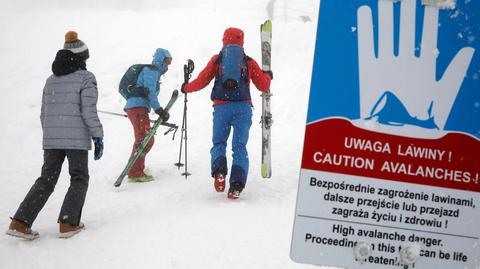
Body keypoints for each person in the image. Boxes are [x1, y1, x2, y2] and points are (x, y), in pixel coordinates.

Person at [6, 31, 104, 240]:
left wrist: (52, 135)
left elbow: (43, 113)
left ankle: (20, 222)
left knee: (47, 179)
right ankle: (68, 224)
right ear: (81, 57)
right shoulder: (86, 78)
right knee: (79, 177)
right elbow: (89, 111)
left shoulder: (51, 80)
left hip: (51, 138)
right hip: (76, 139)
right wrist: (97, 136)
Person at [182, 27, 273, 199]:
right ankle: (236, 186)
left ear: (224, 40)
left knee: (219, 143)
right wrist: (267, 76)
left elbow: (202, 80)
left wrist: (186, 88)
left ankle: (219, 172)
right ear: (242, 41)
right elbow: (263, 85)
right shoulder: (248, 61)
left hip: (221, 108)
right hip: (243, 108)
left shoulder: (217, 60)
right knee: (239, 147)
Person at [124, 48, 172, 183]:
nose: (167, 65)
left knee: (143, 139)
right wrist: (159, 110)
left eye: (169, 62)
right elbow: (149, 91)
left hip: (138, 107)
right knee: (145, 139)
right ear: (160, 59)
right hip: (138, 107)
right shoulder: (151, 71)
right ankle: (135, 173)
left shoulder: (153, 72)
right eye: (166, 61)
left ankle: (134, 169)